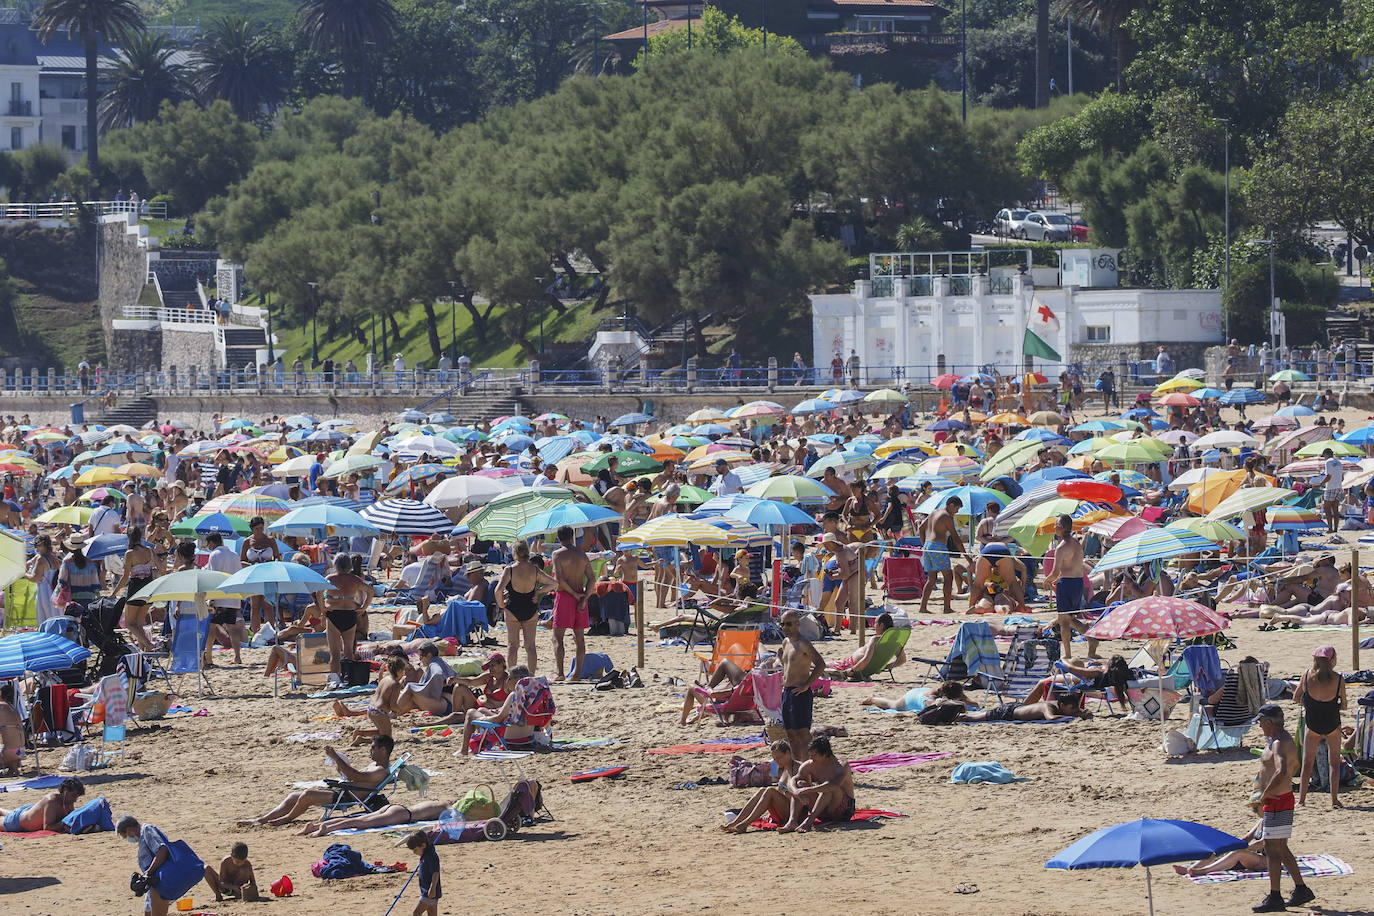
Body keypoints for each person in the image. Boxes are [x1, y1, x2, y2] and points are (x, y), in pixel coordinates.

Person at [237, 734, 395, 826]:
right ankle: (260, 820)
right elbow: (352, 776)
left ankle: (286, 819)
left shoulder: (380, 771)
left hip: (346, 796)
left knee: (307, 795)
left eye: (373, 747)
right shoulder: (374, 765)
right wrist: (340, 764)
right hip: (343, 791)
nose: (370, 749)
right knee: (293, 796)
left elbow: (356, 776)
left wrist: (336, 758)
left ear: (383, 750)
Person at [1251, 704, 1315, 912]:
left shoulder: (1279, 743)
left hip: (1278, 800)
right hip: (1281, 798)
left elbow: (1283, 771)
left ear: (1269, 722)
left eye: (1261, 723)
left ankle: (1275, 896)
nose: (1261, 727)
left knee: (1271, 849)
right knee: (1280, 847)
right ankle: (1301, 889)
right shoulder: (1282, 740)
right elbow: (1291, 768)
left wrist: (1265, 794)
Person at [1291, 645, 1347, 808]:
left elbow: (1296, 698)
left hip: (1313, 724)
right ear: (1332, 660)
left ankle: (1301, 800)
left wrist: (1309, 703)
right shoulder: (1338, 679)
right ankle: (1334, 799)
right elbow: (1343, 705)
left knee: (1307, 763)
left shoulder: (1307, 675)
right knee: (1334, 763)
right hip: (1332, 723)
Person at [116, 814, 199, 916]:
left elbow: (162, 850)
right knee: (148, 911)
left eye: (125, 836)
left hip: (163, 879)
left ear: (129, 830)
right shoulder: (143, 837)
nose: (127, 839)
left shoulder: (146, 830)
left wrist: (148, 873)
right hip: (155, 883)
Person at [495, 541, 556, 675]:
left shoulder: (510, 569)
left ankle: (512, 675)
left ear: (515, 553)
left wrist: (501, 605)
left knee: (512, 646)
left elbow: (497, 591)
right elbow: (554, 583)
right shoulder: (534, 570)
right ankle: (532, 676)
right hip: (530, 608)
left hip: (512, 609)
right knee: (530, 646)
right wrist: (539, 591)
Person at [720, 740, 800, 833]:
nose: (777, 761)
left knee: (770, 791)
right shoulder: (782, 769)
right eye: (774, 759)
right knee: (763, 790)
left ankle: (745, 824)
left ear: (788, 753)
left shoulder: (799, 768)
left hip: (796, 811)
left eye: (779, 758)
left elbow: (801, 795)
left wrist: (783, 793)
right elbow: (780, 791)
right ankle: (737, 822)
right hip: (784, 808)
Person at [779, 736, 855, 832]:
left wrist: (808, 790)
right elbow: (793, 780)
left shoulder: (841, 765)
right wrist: (796, 791)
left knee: (827, 790)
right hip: (824, 811)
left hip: (843, 810)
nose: (811, 757)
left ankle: (809, 822)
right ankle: (792, 821)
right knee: (800, 784)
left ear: (825, 754)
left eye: (814, 755)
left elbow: (833, 785)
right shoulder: (810, 764)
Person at [1045, 515, 1096, 659]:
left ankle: (1087, 636)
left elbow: (1055, 572)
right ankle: (1069, 653)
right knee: (1067, 618)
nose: (1054, 527)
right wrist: (1057, 578)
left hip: (1066, 584)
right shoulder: (1076, 543)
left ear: (1061, 527)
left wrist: (1047, 581)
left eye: (1056, 524)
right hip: (1077, 583)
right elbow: (1070, 567)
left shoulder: (1061, 547)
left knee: (1064, 620)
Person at [778, 609, 825, 763]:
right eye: (782, 624)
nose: (785, 627)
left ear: (797, 624)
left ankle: (808, 767)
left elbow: (820, 664)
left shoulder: (803, 643)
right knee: (790, 733)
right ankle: (797, 766)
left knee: (803, 734)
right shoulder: (786, 643)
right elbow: (787, 665)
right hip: (787, 692)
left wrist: (806, 684)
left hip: (800, 693)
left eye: (789, 624)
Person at [551, 525, 594, 682]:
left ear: (559, 538)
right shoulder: (582, 554)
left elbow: (559, 579)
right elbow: (592, 579)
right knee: (580, 638)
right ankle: (577, 674)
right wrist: (584, 597)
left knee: (557, 637)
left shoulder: (557, 554)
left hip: (565, 597)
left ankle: (560, 673)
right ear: (572, 537)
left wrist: (574, 594)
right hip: (580, 595)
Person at [323, 553, 371, 688]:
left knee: (334, 652)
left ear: (335, 564)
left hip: (334, 614)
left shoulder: (330, 578)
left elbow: (318, 592)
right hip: (350, 614)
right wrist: (363, 607)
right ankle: (348, 678)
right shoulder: (355, 580)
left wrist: (323, 608)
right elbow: (370, 591)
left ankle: (334, 680)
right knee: (349, 650)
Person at [298, 797, 452, 837]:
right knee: (362, 823)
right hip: (404, 815)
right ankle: (327, 828)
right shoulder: (448, 807)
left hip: (395, 807)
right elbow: (457, 818)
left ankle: (315, 826)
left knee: (361, 819)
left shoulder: (438, 802)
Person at [918, 495, 964, 615]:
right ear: (951, 505)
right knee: (948, 577)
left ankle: (923, 607)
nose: (956, 512)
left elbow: (920, 528)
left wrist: (924, 545)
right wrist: (968, 557)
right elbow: (956, 538)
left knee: (931, 579)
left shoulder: (934, 512)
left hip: (928, 546)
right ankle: (946, 608)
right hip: (938, 547)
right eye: (956, 509)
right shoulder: (947, 517)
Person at [204, 532, 245, 666]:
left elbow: (214, 577)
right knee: (232, 629)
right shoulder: (234, 555)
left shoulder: (215, 554)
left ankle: (209, 658)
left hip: (219, 598)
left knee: (211, 629)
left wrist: (212, 599)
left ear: (212, 543)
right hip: (232, 597)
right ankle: (237, 657)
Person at [826, 611, 906, 678]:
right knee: (822, 665)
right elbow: (902, 660)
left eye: (875, 623)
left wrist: (852, 670)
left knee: (822, 665)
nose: (874, 626)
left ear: (881, 625)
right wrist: (883, 667)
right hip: (861, 669)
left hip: (851, 667)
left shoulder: (875, 639)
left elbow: (866, 659)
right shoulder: (895, 643)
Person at [1172, 823, 1268, 877]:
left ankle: (1204, 871)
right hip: (1254, 856)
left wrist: (1244, 848)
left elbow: (1263, 843)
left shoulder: (1275, 822)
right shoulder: (1262, 820)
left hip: (1267, 860)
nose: (1254, 810)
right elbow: (1246, 838)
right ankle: (1193, 868)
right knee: (1220, 849)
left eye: (1256, 807)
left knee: (1238, 853)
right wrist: (1229, 845)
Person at [0, 776, 84, 832]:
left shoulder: (68, 800)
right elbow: (47, 827)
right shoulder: (51, 801)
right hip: (18, 822)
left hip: (29, 812)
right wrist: (65, 822)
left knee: (7, 812)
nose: (75, 800)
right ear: (65, 790)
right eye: (73, 795)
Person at [958, 692, 1090, 722]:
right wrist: (1075, 718)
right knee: (974, 718)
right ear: (1062, 705)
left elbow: (1074, 711)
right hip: (1008, 712)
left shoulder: (1059, 705)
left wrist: (1082, 713)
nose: (1075, 711)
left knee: (980, 715)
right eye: (1072, 709)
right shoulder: (1048, 706)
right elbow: (1051, 718)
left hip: (1017, 708)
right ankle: (956, 717)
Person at [406, 829, 442, 916]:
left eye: (415, 850)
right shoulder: (426, 854)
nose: (414, 853)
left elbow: (435, 873)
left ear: (423, 845)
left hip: (429, 892)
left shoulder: (430, 856)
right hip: (429, 892)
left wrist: (432, 888)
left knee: (416, 913)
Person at [1314, 447, 1344, 534]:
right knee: (1335, 509)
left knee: (1327, 509)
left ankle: (1330, 528)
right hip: (1338, 487)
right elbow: (1342, 477)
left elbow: (1328, 476)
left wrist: (1320, 484)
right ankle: (1335, 529)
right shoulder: (1338, 462)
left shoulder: (1328, 462)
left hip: (1330, 487)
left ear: (1326, 454)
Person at [0, 682, 22, 775]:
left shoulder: (1, 706)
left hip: (8, 751)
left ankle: (10, 765)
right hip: (20, 751)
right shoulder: (13, 708)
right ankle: (13, 767)